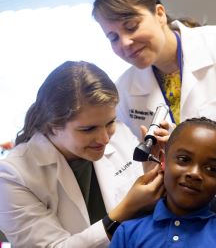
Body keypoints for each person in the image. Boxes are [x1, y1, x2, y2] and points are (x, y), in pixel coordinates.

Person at [92, 0, 216, 195]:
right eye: (113, 37)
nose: (125, 43)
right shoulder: (125, 89)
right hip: (182, 215)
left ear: (159, 14)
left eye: (131, 26)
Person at [0, 61, 169, 247]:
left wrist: (153, 172)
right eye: (88, 129)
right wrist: (127, 209)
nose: (105, 138)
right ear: (53, 126)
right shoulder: (12, 176)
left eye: (110, 122)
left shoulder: (120, 134)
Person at [109, 117, 216, 248]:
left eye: (211, 169)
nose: (194, 174)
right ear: (163, 162)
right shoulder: (128, 233)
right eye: (184, 159)